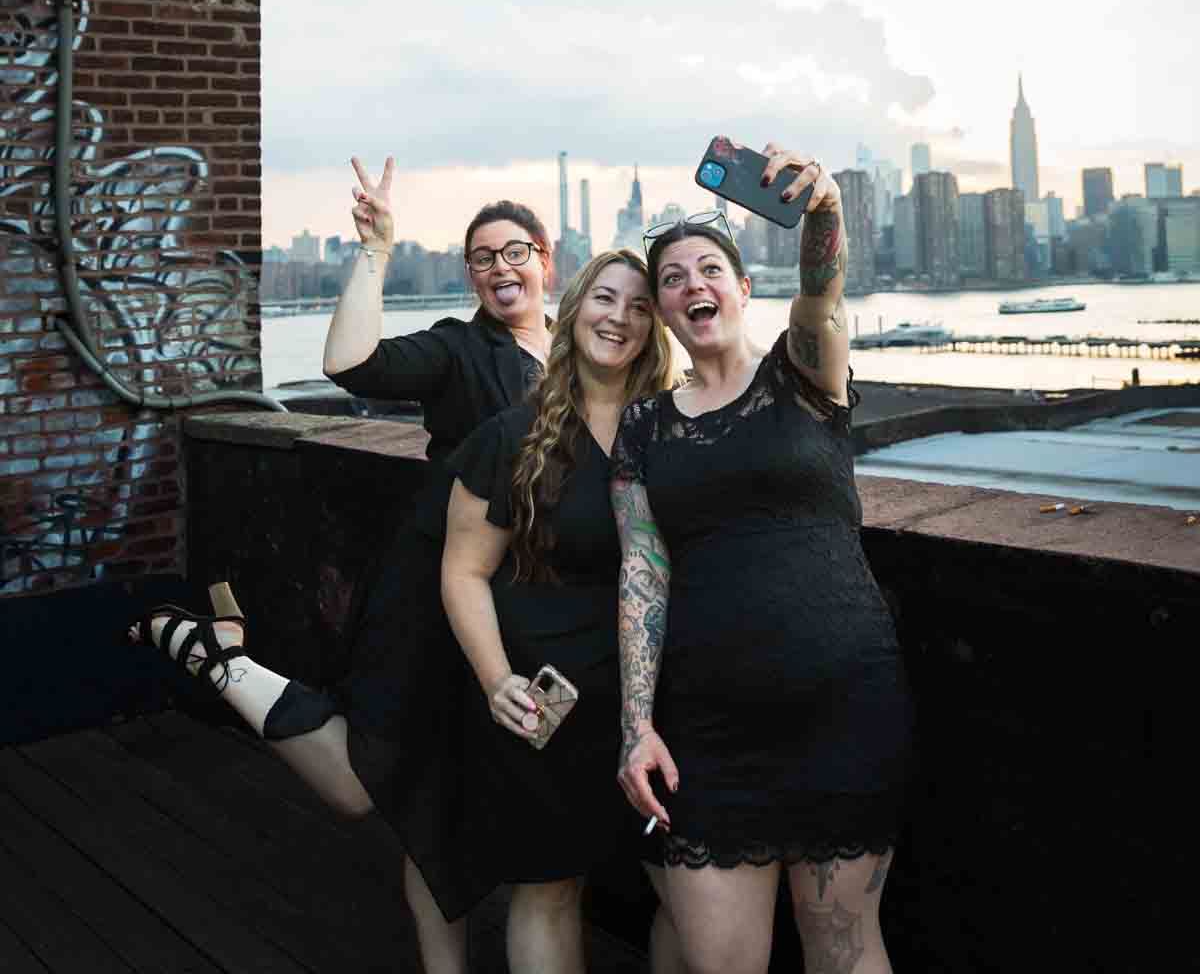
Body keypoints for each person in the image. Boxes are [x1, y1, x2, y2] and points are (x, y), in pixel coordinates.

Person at [132, 156, 554, 974]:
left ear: (546, 258)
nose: (500, 267)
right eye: (482, 257)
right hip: (435, 595)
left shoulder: (578, 354)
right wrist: (375, 252)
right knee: (366, 786)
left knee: (443, 808)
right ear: (470, 275)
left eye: (515, 251)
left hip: (524, 613)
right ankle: (224, 664)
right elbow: (350, 363)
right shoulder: (457, 350)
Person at [611, 145, 913, 974]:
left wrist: (824, 213)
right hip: (709, 731)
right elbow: (643, 575)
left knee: (845, 952)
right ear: (663, 309)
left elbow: (823, 289)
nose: (693, 285)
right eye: (672, 278)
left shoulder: (804, 374)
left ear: (743, 289)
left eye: (710, 268)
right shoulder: (643, 427)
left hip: (842, 707)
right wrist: (636, 727)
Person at [441, 249, 683, 974]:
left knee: (689, 890)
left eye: (641, 306)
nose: (620, 317)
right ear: (574, 309)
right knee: (550, 890)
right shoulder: (510, 437)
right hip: (550, 702)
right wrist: (494, 681)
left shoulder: (674, 430)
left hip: (659, 701)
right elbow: (462, 572)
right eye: (605, 299)